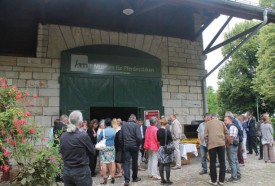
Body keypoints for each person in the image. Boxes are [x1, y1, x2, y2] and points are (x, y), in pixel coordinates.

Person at [60, 110, 95, 186]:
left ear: (69, 121)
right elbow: (93, 151)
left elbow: (61, 151)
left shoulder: (63, 136)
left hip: (67, 170)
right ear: (81, 122)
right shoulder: (83, 136)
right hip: (81, 170)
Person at [204, 114, 229, 186]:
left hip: (212, 144)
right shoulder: (222, 123)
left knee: (212, 163)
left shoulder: (207, 124)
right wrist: (224, 141)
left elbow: (205, 136)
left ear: (211, 118)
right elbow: (227, 133)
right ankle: (221, 181)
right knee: (222, 162)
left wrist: (207, 143)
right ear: (217, 117)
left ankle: (214, 181)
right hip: (221, 144)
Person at [119, 114, 143, 186]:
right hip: (134, 146)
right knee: (134, 162)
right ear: (134, 118)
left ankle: (127, 180)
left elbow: (120, 137)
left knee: (126, 162)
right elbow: (139, 137)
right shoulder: (136, 126)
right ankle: (134, 177)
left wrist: (123, 145)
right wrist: (139, 145)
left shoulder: (124, 125)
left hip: (126, 145)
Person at [97, 118, 116, 184]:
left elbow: (98, 139)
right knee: (112, 161)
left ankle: (105, 178)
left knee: (104, 162)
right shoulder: (113, 130)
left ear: (105, 123)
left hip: (105, 147)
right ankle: (113, 177)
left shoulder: (103, 131)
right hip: (112, 147)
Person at [224, 116, 241, 183]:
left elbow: (231, 138)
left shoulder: (232, 127)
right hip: (234, 145)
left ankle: (234, 177)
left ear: (230, 120)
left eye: (225, 120)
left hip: (231, 146)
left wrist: (227, 145)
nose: (224, 121)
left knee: (232, 161)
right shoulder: (231, 127)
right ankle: (238, 174)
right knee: (235, 160)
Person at [157, 118, 174, 185]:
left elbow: (158, 139)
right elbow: (171, 139)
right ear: (166, 123)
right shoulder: (167, 131)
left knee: (161, 164)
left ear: (160, 123)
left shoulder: (158, 131)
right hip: (167, 148)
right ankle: (168, 180)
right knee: (167, 165)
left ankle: (162, 180)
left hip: (161, 148)